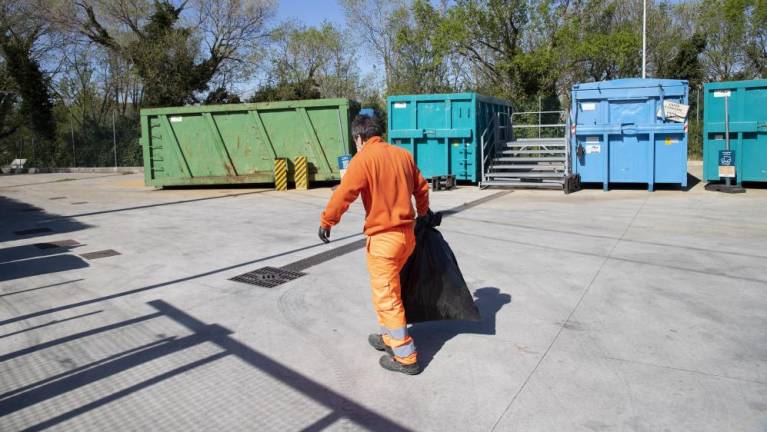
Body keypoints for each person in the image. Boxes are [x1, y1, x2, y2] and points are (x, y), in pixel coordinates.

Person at [319, 114, 431, 375]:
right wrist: (423, 214)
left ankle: (406, 356)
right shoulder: (403, 155)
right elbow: (422, 189)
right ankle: (388, 337)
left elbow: (344, 194)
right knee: (389, 290)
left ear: (359, 138)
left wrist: (327, 221)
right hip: (407, 236)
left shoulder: (363, 159)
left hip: (384, 241)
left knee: (387, 295)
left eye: (355, 141)